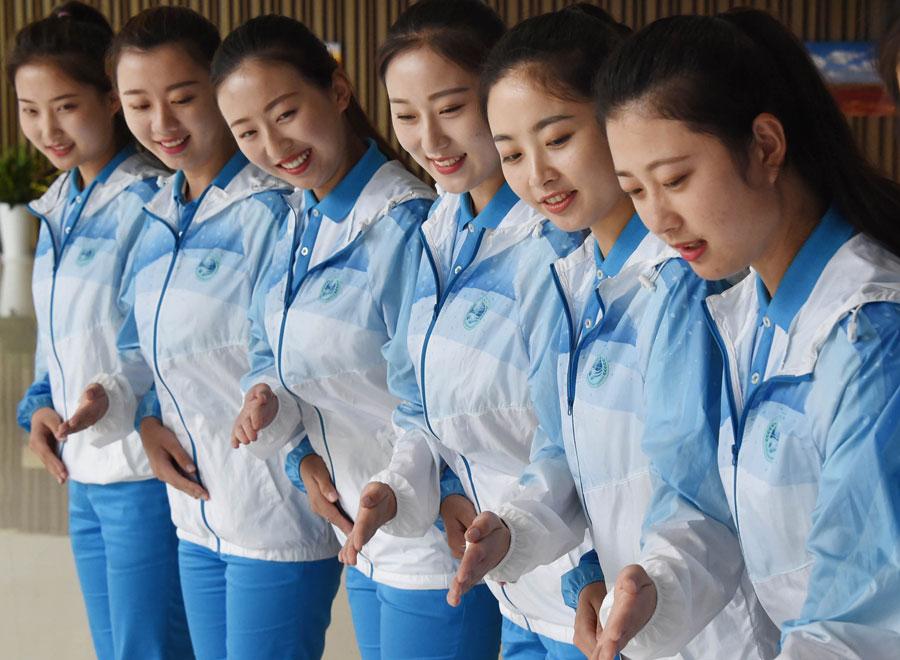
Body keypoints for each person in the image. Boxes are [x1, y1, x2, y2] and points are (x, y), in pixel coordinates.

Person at [464, 6, 779, 659]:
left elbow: (700, 491)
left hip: (715, 627)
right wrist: (514, 530)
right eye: (512, 154)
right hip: (630, 616)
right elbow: (564, 449)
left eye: (557, 139)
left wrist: (647, 588)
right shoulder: (560, 272)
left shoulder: (689, 275)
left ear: (619, 120)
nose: (536, 174)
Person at [593, 9, 900, 659]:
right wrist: (660, 590)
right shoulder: (745, 311)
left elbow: (869, 617)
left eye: (676, 179)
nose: (659, 219)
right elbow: (713, 512)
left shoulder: (869, 336)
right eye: (635, 190)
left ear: (764, 146)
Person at [212, 14, 500, 660]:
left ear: (338, 92)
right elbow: (272, 352)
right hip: (370, 539)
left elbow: (436, 389)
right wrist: (296, 453)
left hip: (432, 544)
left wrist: (443, 493)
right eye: (247, 131)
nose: (272, 143)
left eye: (285, 113)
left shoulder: (402, 225)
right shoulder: (298, 219)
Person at [60, 7, 341, 659]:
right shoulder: (157, 213)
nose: (162, 125)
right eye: (139, 103)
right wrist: (132, 410)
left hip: (274, 511)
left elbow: (298, 357)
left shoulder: (278, 209)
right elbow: (140, 351)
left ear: (220, 90)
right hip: (196, 514)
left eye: (183, 98)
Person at [343, 1, 591, 657]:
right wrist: (401, 485)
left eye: (452, 108)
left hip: (586, 591)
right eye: (406, 115)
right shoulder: (438, 231)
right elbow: (421, 399)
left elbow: (584, 440)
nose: (429, 139)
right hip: (513, 589)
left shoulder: (557, 240)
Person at [10, 3, 192, 658]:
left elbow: (161, 339)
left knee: (152, 650)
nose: (46, 128)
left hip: (142, 473)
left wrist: (117, 399)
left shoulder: (153, 201)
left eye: (65, 106)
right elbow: (58, 337)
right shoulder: (59, 201)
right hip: (84, 473)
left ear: (110, 99)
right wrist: (37, 404)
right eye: (30, 110)